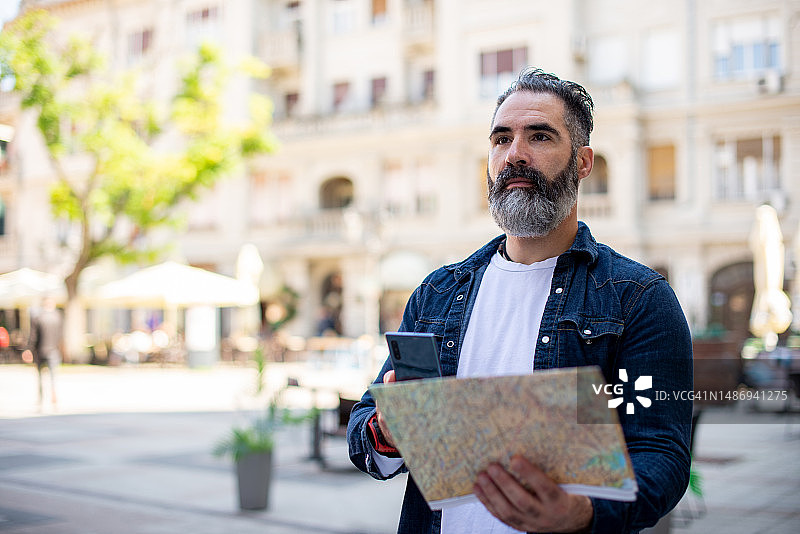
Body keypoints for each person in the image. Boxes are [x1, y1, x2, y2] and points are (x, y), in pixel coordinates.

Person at [347, 68, 693, 534]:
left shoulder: (639, 300)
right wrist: (387, 434)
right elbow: (367, 423)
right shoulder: (436, 294)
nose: (515, 155)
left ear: (584, 162)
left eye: (540, 136)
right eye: (501, 139)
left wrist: (583, 513)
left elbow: (661, 455)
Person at [29, 296, 64, 408]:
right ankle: (53, 394)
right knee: (53, 375)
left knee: (40, 376)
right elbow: (60, 335)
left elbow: (33, 336)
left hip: (40, 350)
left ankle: (41, 397)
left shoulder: (38, 317)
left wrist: (29, 349)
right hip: (54, 350)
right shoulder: (58, 317)